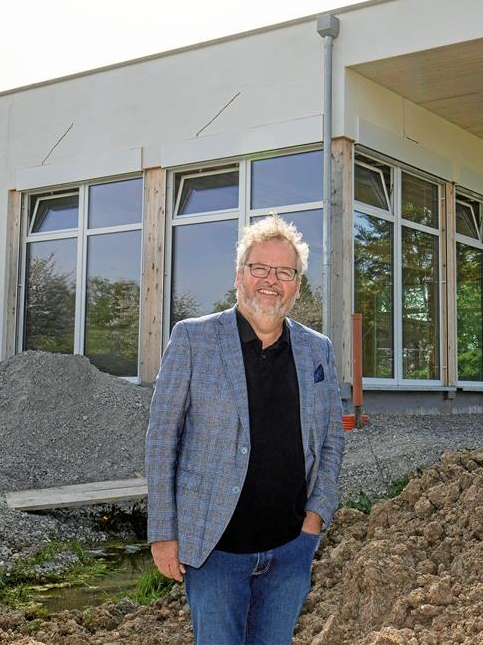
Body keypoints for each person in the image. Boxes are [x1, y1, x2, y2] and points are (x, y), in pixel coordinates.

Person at [145, 214, 345, 645]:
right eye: (260, 268)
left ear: (296, 284)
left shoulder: (317, 349)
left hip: (291, 550)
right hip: (215, 553)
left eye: (285, 272)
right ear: (240, 275)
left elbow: (331, 439)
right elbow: (162, 439)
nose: (271, 281)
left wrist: (315, 519)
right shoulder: (193, 340)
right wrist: (163, 533)